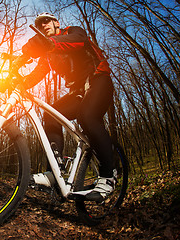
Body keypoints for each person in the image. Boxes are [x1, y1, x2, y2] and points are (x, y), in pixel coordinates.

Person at [21, 12, 115, 202]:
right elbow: (36, 75)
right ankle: (53, 172)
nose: (43, 26)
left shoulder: (73, 31)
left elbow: (78, 40)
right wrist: (16, 80)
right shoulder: (48, 53)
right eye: (39, 25)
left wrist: (50, 43)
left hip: (98, 80)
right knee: (51, 115)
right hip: (78, 92)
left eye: (46, 21)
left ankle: (108, 176)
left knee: (87, 116)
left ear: (56, 23)